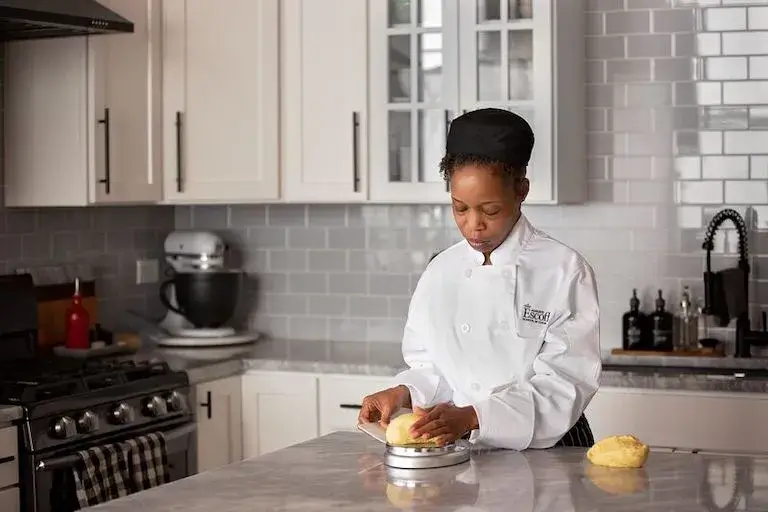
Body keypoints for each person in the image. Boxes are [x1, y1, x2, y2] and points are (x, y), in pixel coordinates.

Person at [358, 108, 601, 450]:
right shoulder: (440, 271)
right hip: (463, 445)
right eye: (460, 208)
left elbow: (565, 384)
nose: (474, 225)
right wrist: (403, 392)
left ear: (522, 191)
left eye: (490, 211)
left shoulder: (564, 271)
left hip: (553, 449)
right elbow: (434, 367)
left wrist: (475, 417)